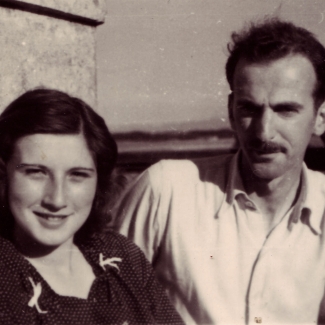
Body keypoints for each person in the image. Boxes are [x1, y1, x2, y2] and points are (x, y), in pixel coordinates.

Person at [113, 18, 325, 324]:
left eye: (285, 110)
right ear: (230, 110)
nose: (264, 132)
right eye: (248, 108)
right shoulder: (166, 191)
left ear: (320, 117)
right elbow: (107, 307)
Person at [0, 88, 183, 324]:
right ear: (3, 174)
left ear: (100, 181)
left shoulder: (121, 256)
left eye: (77, 175)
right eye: (36, 172)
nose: (56, 200)